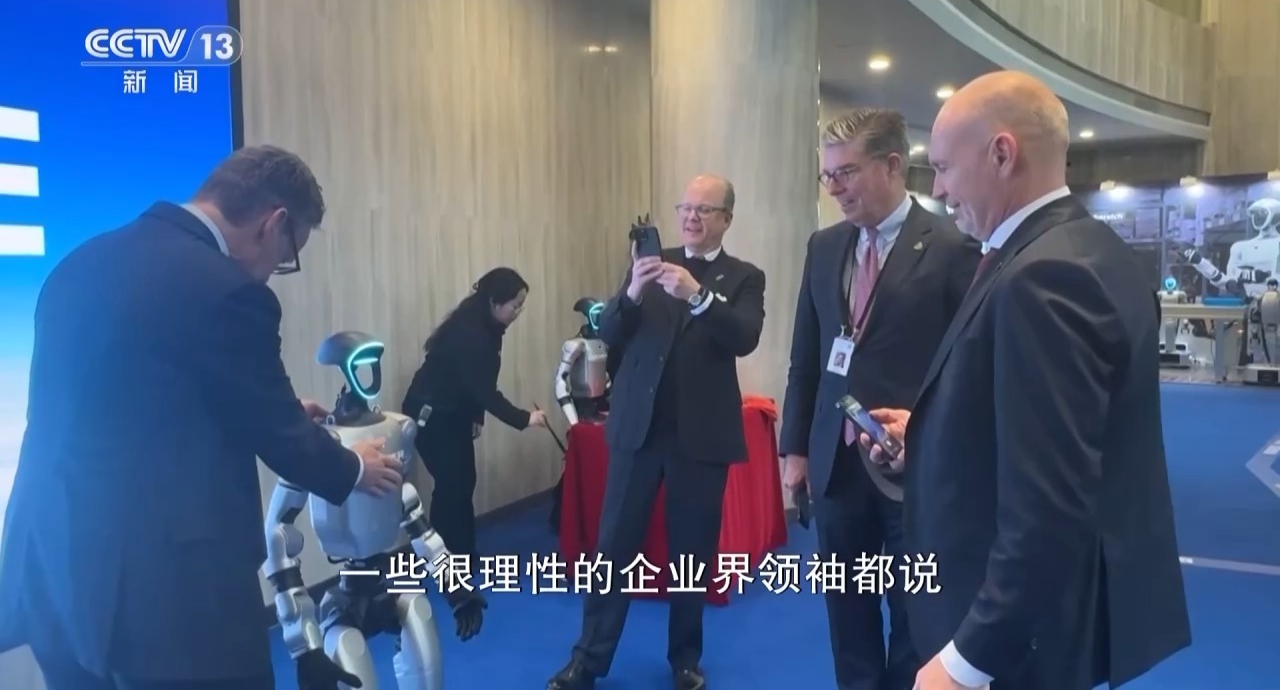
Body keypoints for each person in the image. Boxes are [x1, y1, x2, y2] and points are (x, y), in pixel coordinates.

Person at [0, 145, 405, 690]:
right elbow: (284, 440)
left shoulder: (79, 263)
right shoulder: (228, 289)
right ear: (274, 222)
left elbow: (129, 404)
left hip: (53, 570)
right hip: (166, 593)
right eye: (287, 257)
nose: (274, 273)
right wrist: (354, 467)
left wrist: (275, 412)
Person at [861, 71, 1191, 690]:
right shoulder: (1084, 248)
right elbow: (1046, 434)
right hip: (1040, 625)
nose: (939, 189)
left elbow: (1050, 506)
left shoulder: (1042, 277)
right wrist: (930, 437)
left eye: (944, 168)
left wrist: (967, 661)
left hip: (1013, 644)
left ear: (1002, 154)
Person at [779, 109, 981, 690]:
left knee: (916, 617)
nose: (835, 188)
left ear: (893, 165)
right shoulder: (824, 247)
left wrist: (933, 437)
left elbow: (968, 368)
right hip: (836, 466)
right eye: (827, 176)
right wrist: (795, 448)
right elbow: (807, 356)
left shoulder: (952, 248)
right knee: (846, 613)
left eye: (846, 173)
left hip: (912, 467)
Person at [547, 174, 766, 690]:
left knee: (692, 553)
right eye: (685, 207)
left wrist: (699, 297)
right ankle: (587, 659)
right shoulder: (648, 264)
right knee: (613, 549)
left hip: (701, 436)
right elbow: (608, 333)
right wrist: (631, 292)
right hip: (637, 431)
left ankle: (685, 659)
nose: (691, 217)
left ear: (726, 219)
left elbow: (745, 337)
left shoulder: (744, 276)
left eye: (704, 209)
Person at [401, 267, 547, 561]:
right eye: (515, 305)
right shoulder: (472, 335)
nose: (518, 312)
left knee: (464, 480)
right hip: (430, 414)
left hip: (453, 412)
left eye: (521, 306)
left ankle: (462, 549)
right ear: (494, 302)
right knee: (451, 484)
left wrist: (476, 417)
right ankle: (443, 555)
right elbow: (486, 392)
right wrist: (525, 419)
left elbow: (477, 381)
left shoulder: (488, 328)